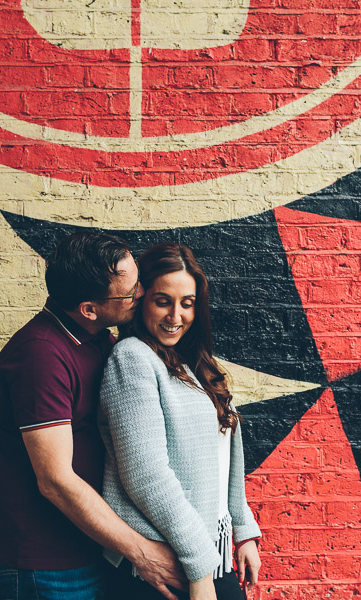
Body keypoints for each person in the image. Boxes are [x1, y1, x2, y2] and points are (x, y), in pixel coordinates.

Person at [0, 232, 185, 600]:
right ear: (89, 309)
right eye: (130, 293)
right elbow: (56, 481)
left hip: (92, 551)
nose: (140, 294)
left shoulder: (99, 340)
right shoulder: (40, 356)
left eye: (137, 280)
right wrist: (141, 551)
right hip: (46, 567)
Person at [98, 242, 262, 600]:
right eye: (163, 301)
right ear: (142, 300)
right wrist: (199, 570)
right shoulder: (132, 359)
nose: (175, 315)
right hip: (166, 565)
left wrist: (243, 530)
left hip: (210, 554)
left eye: (187, 303)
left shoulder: (193, 365)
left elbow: (222, 459)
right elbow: (146, 475)